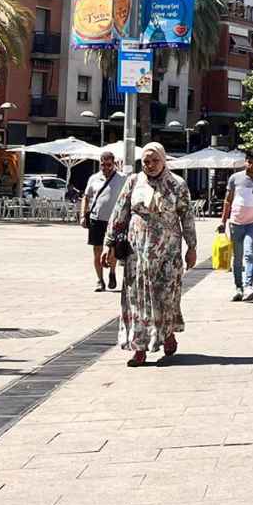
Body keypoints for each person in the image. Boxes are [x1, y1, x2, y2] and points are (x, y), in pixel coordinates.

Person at [100, 142, 197, 367]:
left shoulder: (177, 184)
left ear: (163, 160)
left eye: (155, 161)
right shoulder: (133, 181)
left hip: (168, 253)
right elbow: (119, 213)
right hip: (137, 253)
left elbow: (187, 218)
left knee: (165, 297)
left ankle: (168, 334)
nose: (150, 165)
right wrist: (108, 244)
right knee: (137, 300)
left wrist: (191, 247)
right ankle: (139, 348)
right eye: (146, 161)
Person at [222, 152, 253, 301]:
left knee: (249, 254)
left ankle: (248, 286)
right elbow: (228, 200)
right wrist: (222, 221)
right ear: (245, 162)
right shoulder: (235, 178)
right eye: (249, 162)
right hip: (235, 223)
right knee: (237, 258)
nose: (252, 165)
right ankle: (238, 288)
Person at [80, 151, 128, 292]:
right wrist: (83, 215)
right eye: (103, 164)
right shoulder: (94, 178)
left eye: (108, 164)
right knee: (97, 250)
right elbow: (86, 197)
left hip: (113, 221)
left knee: (112, 250)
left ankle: (112, 273)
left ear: (114, 164)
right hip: (96, 219)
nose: (105, 168)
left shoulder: (122, 178)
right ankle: (100, 280)